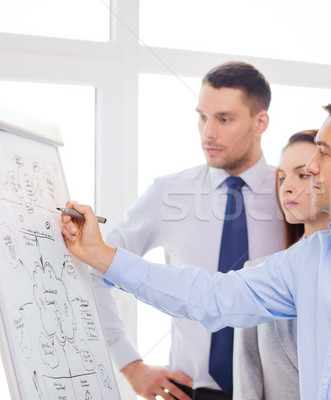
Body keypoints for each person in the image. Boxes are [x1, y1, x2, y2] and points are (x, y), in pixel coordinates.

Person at [61, 90, 331, 399]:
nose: (310, 167)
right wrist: (102, 256)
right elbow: (212, 296)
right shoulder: (310, 257)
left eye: (324, 153)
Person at [91, 61, 286, 400]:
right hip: (189, 392)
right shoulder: (168, 194)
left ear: (261, 122)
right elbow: (97, 269)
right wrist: (130, 365)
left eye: (224, 119)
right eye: (202, 116)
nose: (208, 132)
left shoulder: (293, 198)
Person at [232, 129, 331, 400]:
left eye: (303, 175)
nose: (286, 186)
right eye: (282, 177)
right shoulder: (257, 274)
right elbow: (247, 380)